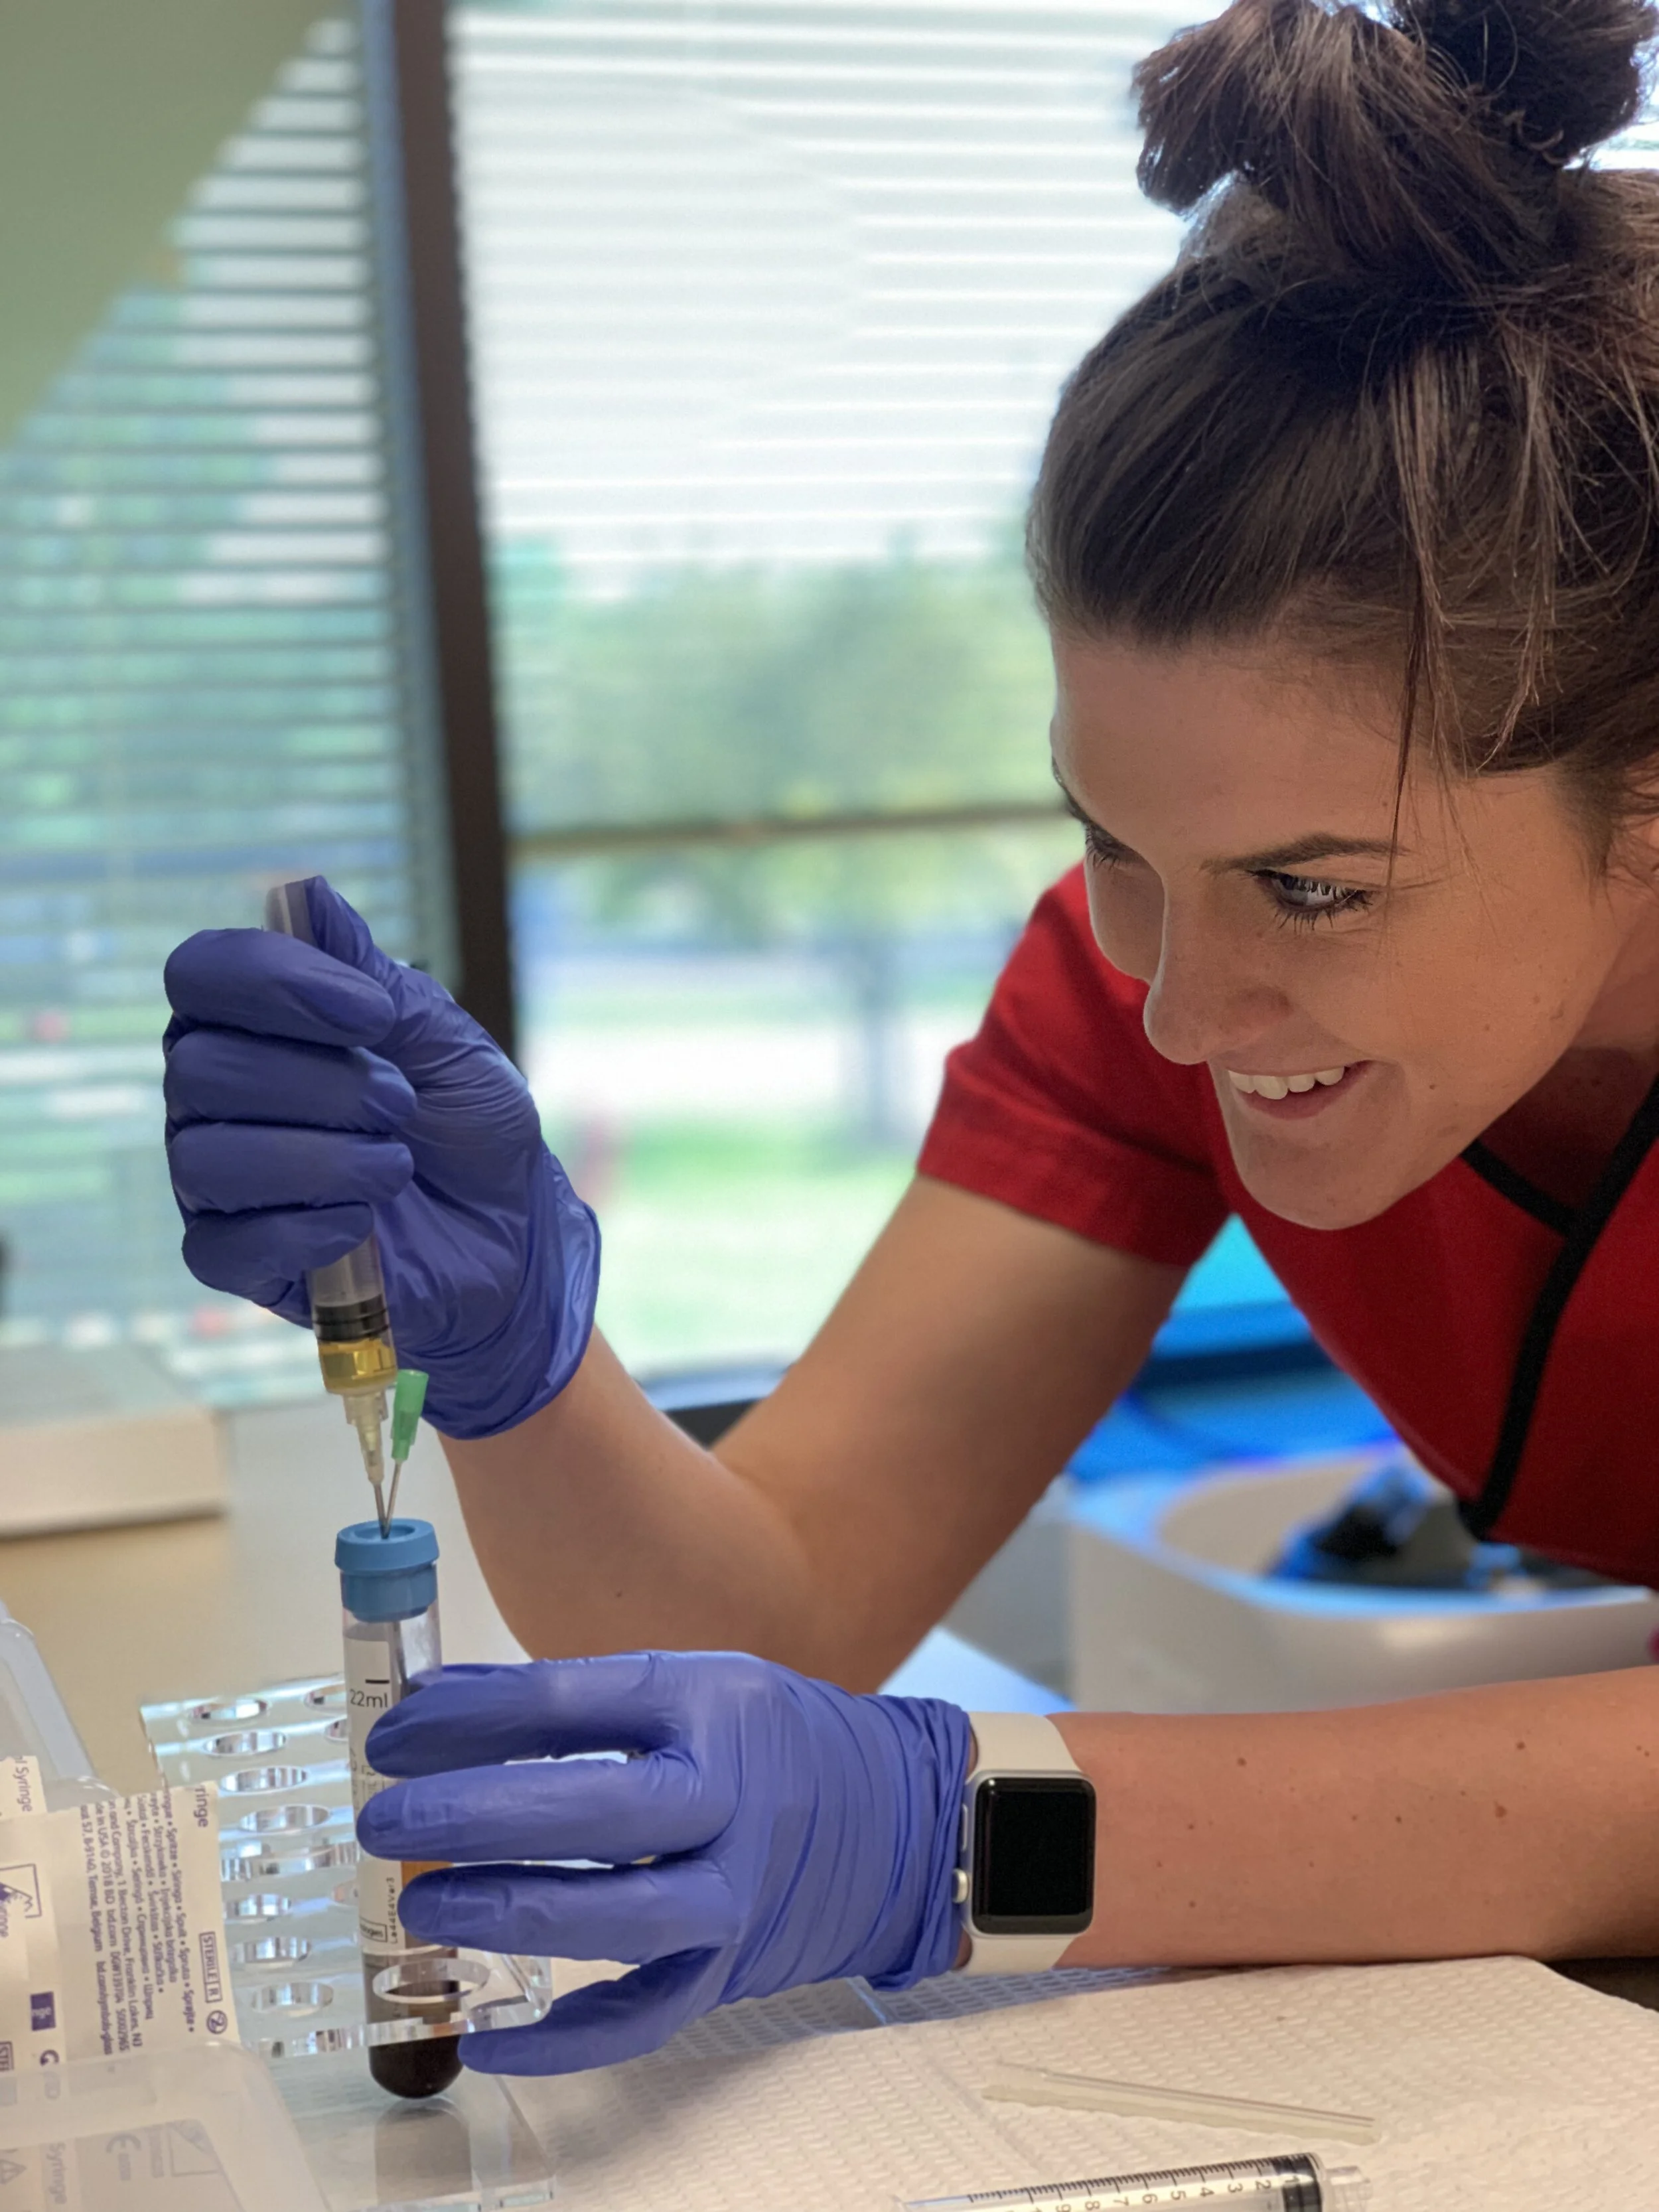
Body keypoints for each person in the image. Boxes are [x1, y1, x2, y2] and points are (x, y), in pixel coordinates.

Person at [163, 0, 1659, 2077]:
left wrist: (965, 1833)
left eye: (1312, 885)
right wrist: (512, 1362)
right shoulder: (1134, 989)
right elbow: (771, 1619)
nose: (1174, 999)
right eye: (1110, 836)